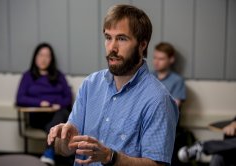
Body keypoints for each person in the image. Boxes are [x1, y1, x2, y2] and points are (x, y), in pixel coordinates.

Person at [48, 4, 179, 166]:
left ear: (142, 45)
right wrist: (64, 140)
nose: (112, 47)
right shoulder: (91, 85)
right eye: (108, 37)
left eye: (122, 39)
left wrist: (111, 157)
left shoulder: (158, 99)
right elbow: (65, 150)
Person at [16, 42, 73, 165]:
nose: (44, 59)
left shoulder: (59, 76)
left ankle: (49, 153)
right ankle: (67, 158)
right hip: (38, 116)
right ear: (35, 57)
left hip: (58, 113)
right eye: (41, 55)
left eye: (47, 56)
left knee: (61, 113)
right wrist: (39, 103)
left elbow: (68, 97)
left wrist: (58, 104)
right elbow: (20, 98)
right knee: (59, 123)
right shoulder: (28, 76)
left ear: (51, 59)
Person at [152, 42, 186, 108]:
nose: (156, 62)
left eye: (161, 59)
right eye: (155, 58)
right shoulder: (148, 76)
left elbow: (174, 107)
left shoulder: (177, 80)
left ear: (171, 60)